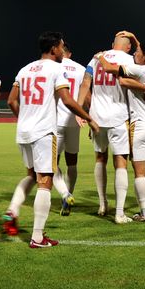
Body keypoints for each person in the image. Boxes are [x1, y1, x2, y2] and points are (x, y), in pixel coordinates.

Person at [4, 31, 99, 248]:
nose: (62, 50)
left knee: (31, 175)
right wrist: (88, 118)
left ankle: (13, 210)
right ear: (54, 48)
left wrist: (25, 118)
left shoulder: (25, 69)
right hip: (44, 132)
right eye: (61, 46)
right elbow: (67, 100)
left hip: (24, 131)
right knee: (45, 182)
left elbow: (11, 101)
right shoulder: (58, 68)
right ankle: (38, 237)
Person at [97, 41, 145, 222]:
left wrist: (100, 56)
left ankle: (144, 213)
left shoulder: (138, 70)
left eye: (138, 52)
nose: (135, 54)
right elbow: (127, 81)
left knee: (139, 173)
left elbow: (110, 70)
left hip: (140, 126)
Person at [76, 30, 139, 223]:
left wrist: (79, 110)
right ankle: (119, 213)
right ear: (129, 47)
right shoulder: (129, 59)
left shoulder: (96, 58)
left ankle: (103, 204)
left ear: (113, 44)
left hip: (97, 117)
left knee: (100, 158)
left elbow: (85, 83)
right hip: (119, 116)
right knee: (121, 162)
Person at [54, 43, 86, 215]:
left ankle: (64, 194)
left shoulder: (54, 66)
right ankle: (70, 193)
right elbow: (86, 95)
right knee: (72, 162)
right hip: (74, 119)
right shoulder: (80, 69)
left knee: (53, 163)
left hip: (55, 120)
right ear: (70, 54)